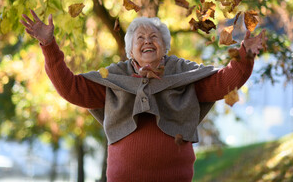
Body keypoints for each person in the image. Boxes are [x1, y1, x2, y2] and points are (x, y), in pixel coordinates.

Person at [20, 10, 266, 182]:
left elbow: (223, 83)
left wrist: (245, 56)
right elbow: (71, 88)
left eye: (154, 37)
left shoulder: (183, 72)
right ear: (130, 50)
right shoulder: (113, 76)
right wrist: (49, 46)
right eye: (140, 38)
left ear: (165, 46)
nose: (147, 41)